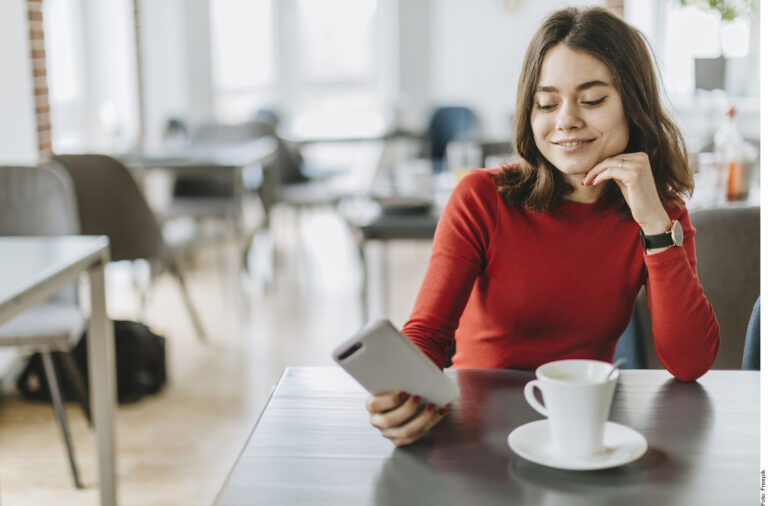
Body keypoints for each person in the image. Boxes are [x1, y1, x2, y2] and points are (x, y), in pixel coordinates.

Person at [366, 6, 721, 447]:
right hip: (481, 429)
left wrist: (653, 222)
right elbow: (429, 332)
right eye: (546, 103)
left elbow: (689, 363)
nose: (565, 120)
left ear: (634, 104)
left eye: (591, 100)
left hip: (583, 431)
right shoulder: (482, 198)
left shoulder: (660, 215)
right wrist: (404, 390)